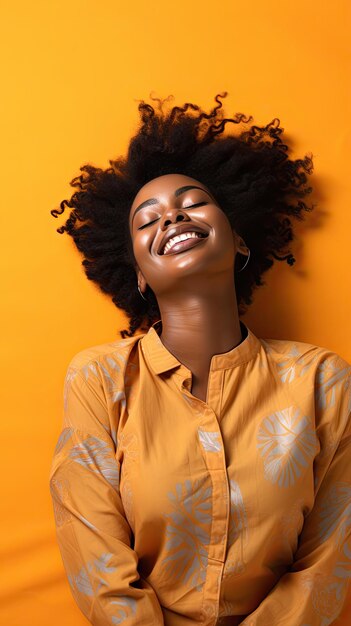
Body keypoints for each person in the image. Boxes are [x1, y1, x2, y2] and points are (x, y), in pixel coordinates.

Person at [49, 93, 351, 625]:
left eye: (192, 201)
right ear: (139, 273)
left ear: (238, 241)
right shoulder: (97, 379)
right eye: (147, 220)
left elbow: (329, 559)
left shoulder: (323, 382)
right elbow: (95, 555)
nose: (173, 216)